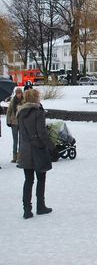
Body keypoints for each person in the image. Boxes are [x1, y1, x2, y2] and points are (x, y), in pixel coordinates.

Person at [17, 88, 56, 219]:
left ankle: (27, 209)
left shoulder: (20, 112)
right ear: (35, 98)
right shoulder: (38, 112)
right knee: (41, 179)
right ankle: (41, 206)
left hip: (24, 150)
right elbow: (42, 133)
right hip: (37, 150)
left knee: (28, 180)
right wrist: (52, 148)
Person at [6, 88, 24, 163]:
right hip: (14, 123)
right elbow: (9, 111)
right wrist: (8, 121)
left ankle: (20, 157)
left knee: (21, 140)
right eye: (17, 93)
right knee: (15, 140)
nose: (19, 95)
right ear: (16, 94)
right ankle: (14, 157)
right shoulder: (13, 101)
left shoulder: (24, 101)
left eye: (20, 93)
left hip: (22, 122)